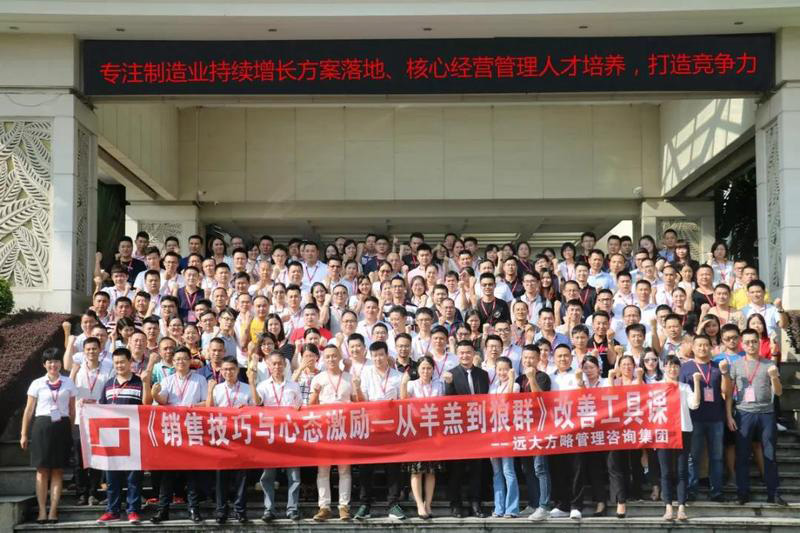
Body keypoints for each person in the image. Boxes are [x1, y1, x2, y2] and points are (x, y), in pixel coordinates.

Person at [722, 329, 787, 506]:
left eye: (754, 341)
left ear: (759, 343)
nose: (751, 345)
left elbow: (778, 392)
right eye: (747, 342)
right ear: (742, 344)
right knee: (742, 455)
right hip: (744, 413)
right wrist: (729, 416)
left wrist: (774, 377)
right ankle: (742, 494)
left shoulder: (768, 364)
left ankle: (774, 493)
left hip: (766, 413)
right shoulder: (736, 365)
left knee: (770, 454)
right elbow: (728, 393)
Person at [149, 347, 209, 523]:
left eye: (184, 359)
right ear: (173, 362)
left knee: (192, 473)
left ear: (190, 361)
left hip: (192, 429)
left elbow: (207, 402)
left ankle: (193, 509)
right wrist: (154, 394)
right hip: (173, 430)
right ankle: (163, 510)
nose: (180, 362)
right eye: (177, 359)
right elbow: (162, 400)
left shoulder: (199, 379)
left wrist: (191, 407)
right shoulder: (167, 380)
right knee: (168, 473)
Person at [20, 348, 77, 525]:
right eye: (50, 361)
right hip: (42, 427)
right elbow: (29, 410)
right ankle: (42, 511)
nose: (53, 365)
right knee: (42, 470)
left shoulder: (68, 382)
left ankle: (53, 510)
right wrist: (23, 433)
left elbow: (72, 409)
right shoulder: (37, 383)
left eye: (56, 361)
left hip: (62, 426)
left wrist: (70, 430)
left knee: (58, 470)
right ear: (44, 364)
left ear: (61, 363)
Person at [353, 341, 406, 520]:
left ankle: (393, 504)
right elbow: (362, 401)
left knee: (393, 467)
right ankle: (365, 505)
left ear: (387, 355)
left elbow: (403, 402)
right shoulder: (366, 374)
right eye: (374, 356)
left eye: (381, 355)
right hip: (370, 427)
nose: (378, 359)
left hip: (392, 428)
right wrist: (357, 388)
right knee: (366, 466)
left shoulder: (398, 376)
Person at [250, 351, 303, 521]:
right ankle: (269, 509)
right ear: (269, 366)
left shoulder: (294, 386)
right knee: (268, 475)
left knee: (294, 475)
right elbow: (257, 403)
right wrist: (251, 382)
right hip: (271, 436)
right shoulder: (263, 385)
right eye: (274, 363)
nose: (277, 366)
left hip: (290, 435)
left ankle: (292, 509)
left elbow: (300, 408)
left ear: (285, 365)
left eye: (280, 363)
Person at [95, 348, 146, 524]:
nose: (119, 365)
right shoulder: (109, 384)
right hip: (112, 437)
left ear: (130, 362)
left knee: (133, 477)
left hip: (135, 436)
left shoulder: (139, 383)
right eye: (116, 363)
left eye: (122, 362)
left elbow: (147, 406)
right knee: (112, 477)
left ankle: (133, 510)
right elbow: (101, 408)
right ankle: (112, 510)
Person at [309, 345, 357, 522]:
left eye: (334, 356)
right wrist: (315, 393)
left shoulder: (349, 378)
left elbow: (357, 403)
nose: (331, 359)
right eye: (328, 356)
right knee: (323, 469)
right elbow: (311, 406)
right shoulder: (318, 378)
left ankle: (344, 506)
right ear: (323, 358)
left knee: (344, 469)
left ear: (340, 357)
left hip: (344, 428)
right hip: (324, 429)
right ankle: (324, 507)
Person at [443, 340, 490, 518]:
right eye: (462, 352)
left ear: (474, 354)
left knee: (477, 468)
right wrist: (448, 384)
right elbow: (448, 402)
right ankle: (456, 504)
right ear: (457, 354)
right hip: (458, 429)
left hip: (478, 428)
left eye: (468, 352)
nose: (465, 355)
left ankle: (475, 503)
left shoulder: (483, 374)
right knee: (457, 469)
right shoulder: (451, 374)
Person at [680, 334, 726, 502]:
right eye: (699, 345)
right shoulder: (685, 368)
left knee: (717, 457)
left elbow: (726, 392)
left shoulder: (717, 366)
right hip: (694, 419)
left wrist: (725, 374)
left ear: (711, 347)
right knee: (693, 457)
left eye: (706, 345)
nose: (702, 348)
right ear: (692, 347)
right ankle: (692, 490)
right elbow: (679, 392)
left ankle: (717, 491)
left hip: (716, 418)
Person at [207, 355, 252, 524]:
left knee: (242, 475)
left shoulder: (247, 388)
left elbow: (256, 408)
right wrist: (209, 391)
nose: (228, 372)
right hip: (222, 436)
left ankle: (240, 510)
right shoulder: (217, 388)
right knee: (221, 475)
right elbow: (209, 409)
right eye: (225, 369)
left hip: (241, 436)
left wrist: (246, 408)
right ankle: (221, 510)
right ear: (221, 371)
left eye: (232, 369)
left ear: (238, 370)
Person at [400, 355, 443, 519]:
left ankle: (428, 504)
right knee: (416, 470)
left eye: (429, 368)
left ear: (433, 370)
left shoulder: (439, 384)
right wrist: (403, 383)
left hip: (433, 432)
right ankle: (419, 504)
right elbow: (403, 401)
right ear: (417, 370)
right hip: (416, 432)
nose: (426, 371)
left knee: (431, 471)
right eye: (423, 368)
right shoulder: (412, 384)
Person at [68, 337, 110, 506]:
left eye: (94, 348)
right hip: (80, 419)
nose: (91, 352)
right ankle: (81, 492)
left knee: (96, 458)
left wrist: (97, 402)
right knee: (79, 459)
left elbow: (109, 392)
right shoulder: (78, 369)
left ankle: (93, 492)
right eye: (88, 349)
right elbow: (69, 390)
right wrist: (73, 372)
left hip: (99, 418)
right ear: (84, 352)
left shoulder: (108, 368)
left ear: (100, 350)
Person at [658, 355, 701, 521]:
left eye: (676, 366)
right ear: (664, 367)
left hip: (683, 430)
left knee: (682, 470)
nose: (672, 369)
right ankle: (668, 507)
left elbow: (694, 404)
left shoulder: (684, 387)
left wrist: (696, 382)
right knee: (666, 472)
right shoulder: (657, 387)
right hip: (663, 432)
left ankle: (681, 507)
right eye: (669, 366)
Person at [548, 343, 585, 519]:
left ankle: (576, 505)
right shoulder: (549, 377)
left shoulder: (578, 374)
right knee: (558, 468)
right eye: (559, 356)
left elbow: (585, 397)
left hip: (575, 427)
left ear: (571, 357)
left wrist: (580, 382)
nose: (563, 359)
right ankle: (562, 505)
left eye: (566, 355)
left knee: (576, 468)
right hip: (555, 429)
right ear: (554, 358)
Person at [489, 356, 520, 518]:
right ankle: (499, 507)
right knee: (497, 472)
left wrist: (512, 378)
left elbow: (509, 398)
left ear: (511, 370)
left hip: (508, 433)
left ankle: (512, 508)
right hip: (494, 433)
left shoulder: (515, 385)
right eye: (499, 369)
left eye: (505, 370)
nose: (502, 372)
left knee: (508, 470)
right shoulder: (493, 387)